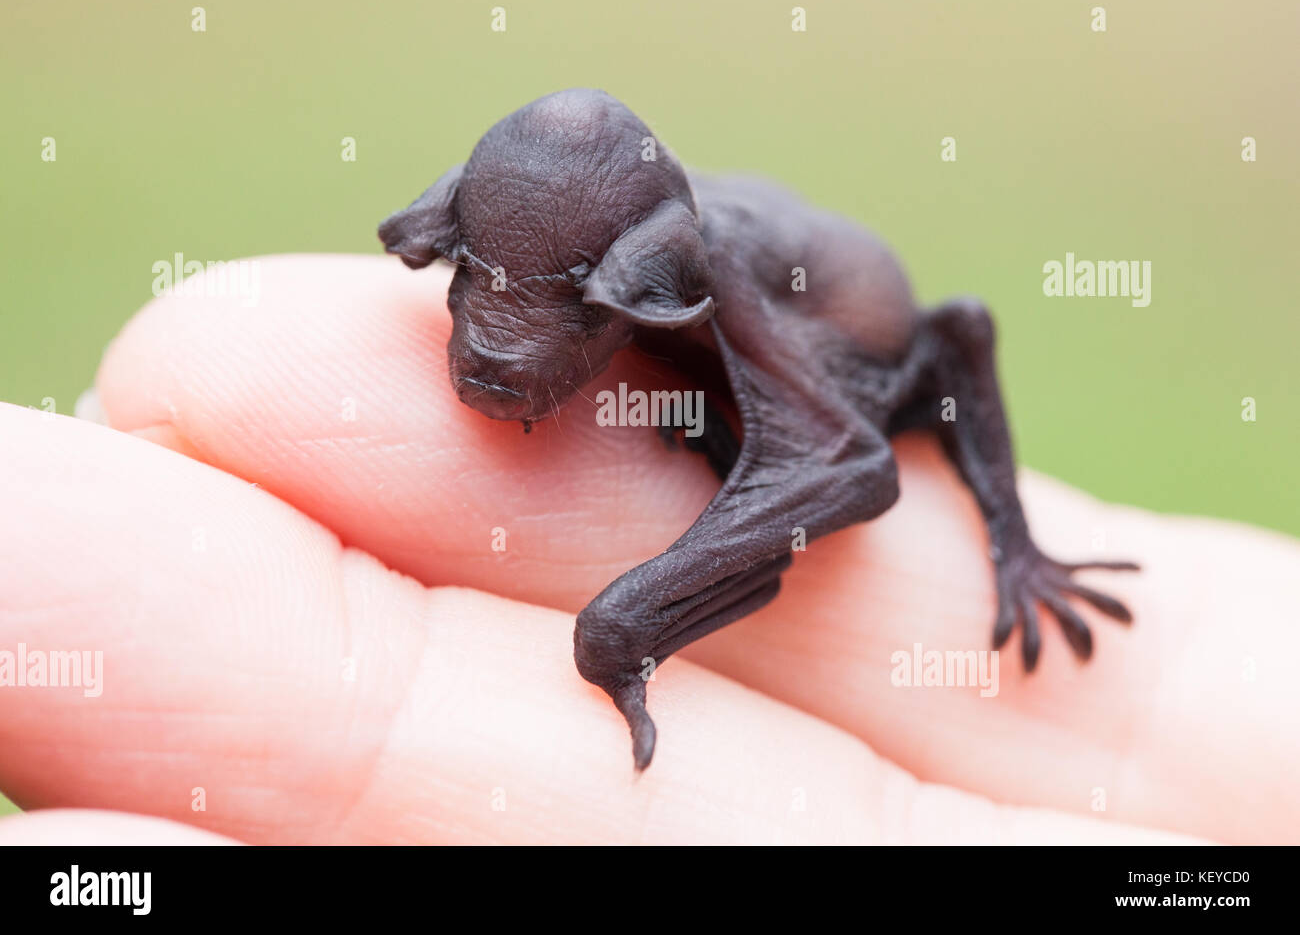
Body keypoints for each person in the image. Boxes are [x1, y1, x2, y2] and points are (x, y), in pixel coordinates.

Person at [1, 255, 1296, 845]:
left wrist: (1016, 547)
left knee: (819, 430)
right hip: (752, 375)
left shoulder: (713, 294)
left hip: (857, 372)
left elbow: (941, 351)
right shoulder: (647, 306)